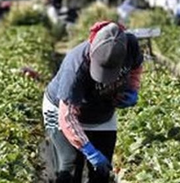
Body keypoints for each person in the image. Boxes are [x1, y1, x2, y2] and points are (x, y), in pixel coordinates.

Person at [43, 21, 143, 183]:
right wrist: (89, 151)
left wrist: (132, 90)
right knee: (70, 164)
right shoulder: (74, 68)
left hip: (101, 109)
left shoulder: (131, 45)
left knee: (102, 171)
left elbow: (136, 68)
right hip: (59, 110)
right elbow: (67, 117)